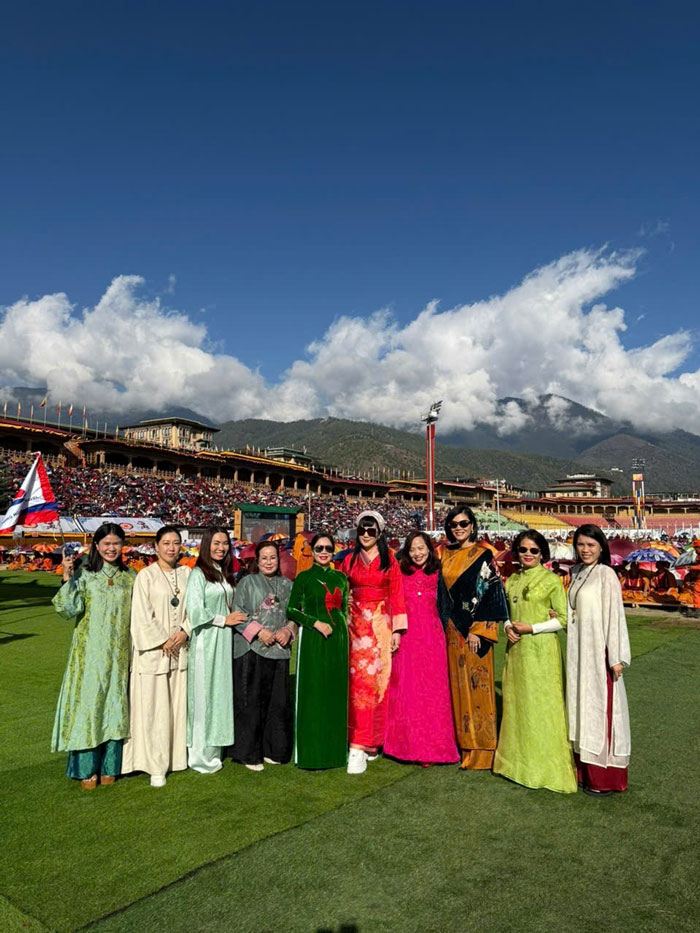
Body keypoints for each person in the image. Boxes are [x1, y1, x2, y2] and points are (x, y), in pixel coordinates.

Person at [51, 523, 136, 788]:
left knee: (115, 706)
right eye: (106, 543)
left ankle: (111, 765)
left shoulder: (131, 576)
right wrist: (67, 577)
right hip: (90, 654)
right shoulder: (85, 575)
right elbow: (68, 609)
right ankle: (86, 768)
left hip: (121, 655)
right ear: (96, 546)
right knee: (91, 706)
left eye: (116, 543)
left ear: (123, 546)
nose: (111, 548)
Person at [493, 530, 577, 793]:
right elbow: (506, 611)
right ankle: (514, 765)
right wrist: (507, 626)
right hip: (516, 651)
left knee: (542, 706)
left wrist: (533, 628)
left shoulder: (552, 581)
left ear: (543, 554)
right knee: (517, 704)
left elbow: (563, 619)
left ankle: (544, 767)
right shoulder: (512, 580)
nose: (527, 554)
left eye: (533, 551)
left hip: (541, 651)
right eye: (523, 550)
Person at [438, 505, 508, 770]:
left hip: (474, 633)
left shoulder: (484, 554)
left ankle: (482, 750)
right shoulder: (442, 554)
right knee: (455, 689)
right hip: (450, 632)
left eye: (464, 523)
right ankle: (459, 744)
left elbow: (492, 592)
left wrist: (480, 629)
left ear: (472, 525)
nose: (459, 528)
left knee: (478, 688)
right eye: (454, 524)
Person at [122, 525, 191, 787]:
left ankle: (175, 759)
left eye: (176, 543)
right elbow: (140, 616)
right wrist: (163, 640)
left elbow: (194, 608)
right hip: (153, 653)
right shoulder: (146, 576)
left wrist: (185, 631)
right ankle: (153, 764)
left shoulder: (187, 574)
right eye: (166, 543)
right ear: (156, 547)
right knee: (153, 709)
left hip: (180, 651)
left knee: (175, 708)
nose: (172, 548)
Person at [383, 531, 459, 765]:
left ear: (429, 548)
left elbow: (449, 604)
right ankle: (405, 746)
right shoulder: (399, 572)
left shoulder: (439, 572)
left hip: (432, 637)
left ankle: (433, 747)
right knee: (407, 689)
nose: (417, 553)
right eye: (413, 549)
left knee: (432, 691)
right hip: (407, 637)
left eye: (421, 548)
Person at [340, 511, 407, 774]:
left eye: (372, 531)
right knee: (357, 684)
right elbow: (340, 589)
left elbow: (397, 593)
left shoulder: (390, 559)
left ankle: (373, 741)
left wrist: (397, 631)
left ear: (380, 533)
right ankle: (357, 742)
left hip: (380, 625)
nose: (366, 535)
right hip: (354, 625)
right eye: (362, 530)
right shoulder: (348, 560)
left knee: (378, 684)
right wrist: (341, 605)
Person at [567, 524, 631, 795]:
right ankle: (583, 771)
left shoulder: (606, 575)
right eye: (581, 544)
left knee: (598, 708)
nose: (585, 550)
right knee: (580, 704)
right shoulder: (576, 572)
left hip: (599, 652)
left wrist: (616, 656)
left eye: (591, 545)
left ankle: (604, 777)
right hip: (578, 651)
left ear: (601, 547)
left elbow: (614, 616)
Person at [227, 541, 296, 771]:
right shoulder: (247, 582)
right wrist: (259, 631)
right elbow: (238, 614)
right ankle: (249, 752)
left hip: (279, 649)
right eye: (264, 558)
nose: (268, 562)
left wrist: (288, 629)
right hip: (252, 649)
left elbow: (295, 613)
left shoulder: (287, 584)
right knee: (251, 702)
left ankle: (273, 749)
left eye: (272, 558)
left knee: (277, 703)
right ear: (257, 561)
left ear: (279, 560)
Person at [185, 526, 247, 774]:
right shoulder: (198, 573)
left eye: (224, 544)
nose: (220, 548)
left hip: (223, 642)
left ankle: (216, 749)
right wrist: (224, 620)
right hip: (206, 642)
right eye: (216, 543)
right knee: (204, 695)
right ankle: (199, 755)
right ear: (207, 544)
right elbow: (195, 611)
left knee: (220, 694)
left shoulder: (224, 573)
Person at [287, 533, 350, 770]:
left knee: (335, 692)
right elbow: (291, 609)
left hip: (339, 639)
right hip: (313, 638)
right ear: (312, 551)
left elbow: (343, 610)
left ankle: (335, 754)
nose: (324, 552)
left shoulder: (341, 578)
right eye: (319, 548)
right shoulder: (303, 577)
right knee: (312, 692)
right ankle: (311, 754)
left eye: (328, 548)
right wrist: (314, 623)